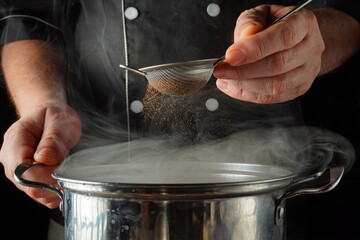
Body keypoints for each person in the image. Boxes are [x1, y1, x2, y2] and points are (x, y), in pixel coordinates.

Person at [0, 0, 359, 239]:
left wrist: (313, 38)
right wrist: (43, 106)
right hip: (100, 214)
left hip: (258, 214)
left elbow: (348, 12)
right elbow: (31, 16)